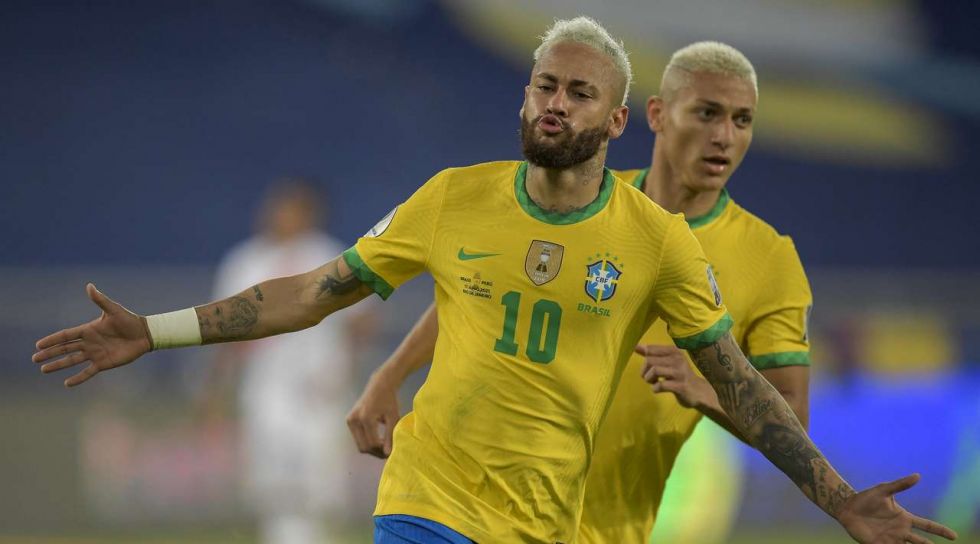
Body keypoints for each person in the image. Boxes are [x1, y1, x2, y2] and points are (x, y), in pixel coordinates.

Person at [33, 16, 956, 544]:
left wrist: (839, 500)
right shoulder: (452, 199)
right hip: (428, 501)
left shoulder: (659, 243)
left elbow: (750, 389)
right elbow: (312, 292)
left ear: (618, 120)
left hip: (552, 522)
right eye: (544, 86)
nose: (555, 104)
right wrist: (155, 331)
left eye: (579, 93)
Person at [346, 40, 800, 543]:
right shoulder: (580, 191)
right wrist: (391, 373)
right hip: (483, 501)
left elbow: (791, 415)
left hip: (607, 526)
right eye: (707, 113)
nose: (723, 136)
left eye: (742, 120)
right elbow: (482, 293)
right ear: (655, 114)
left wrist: (702, 389)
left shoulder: (769, 257)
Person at [206, 180, 372, 544]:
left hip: (320, 385)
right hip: (266, 386)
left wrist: (345, 369)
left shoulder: (331, 257)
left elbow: (362, 320)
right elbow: (223, 333)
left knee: (321, 481)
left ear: (310, 213)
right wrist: (216, 389)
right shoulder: (245, 262)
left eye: (290, 208)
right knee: (272, 480)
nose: (280, 215)